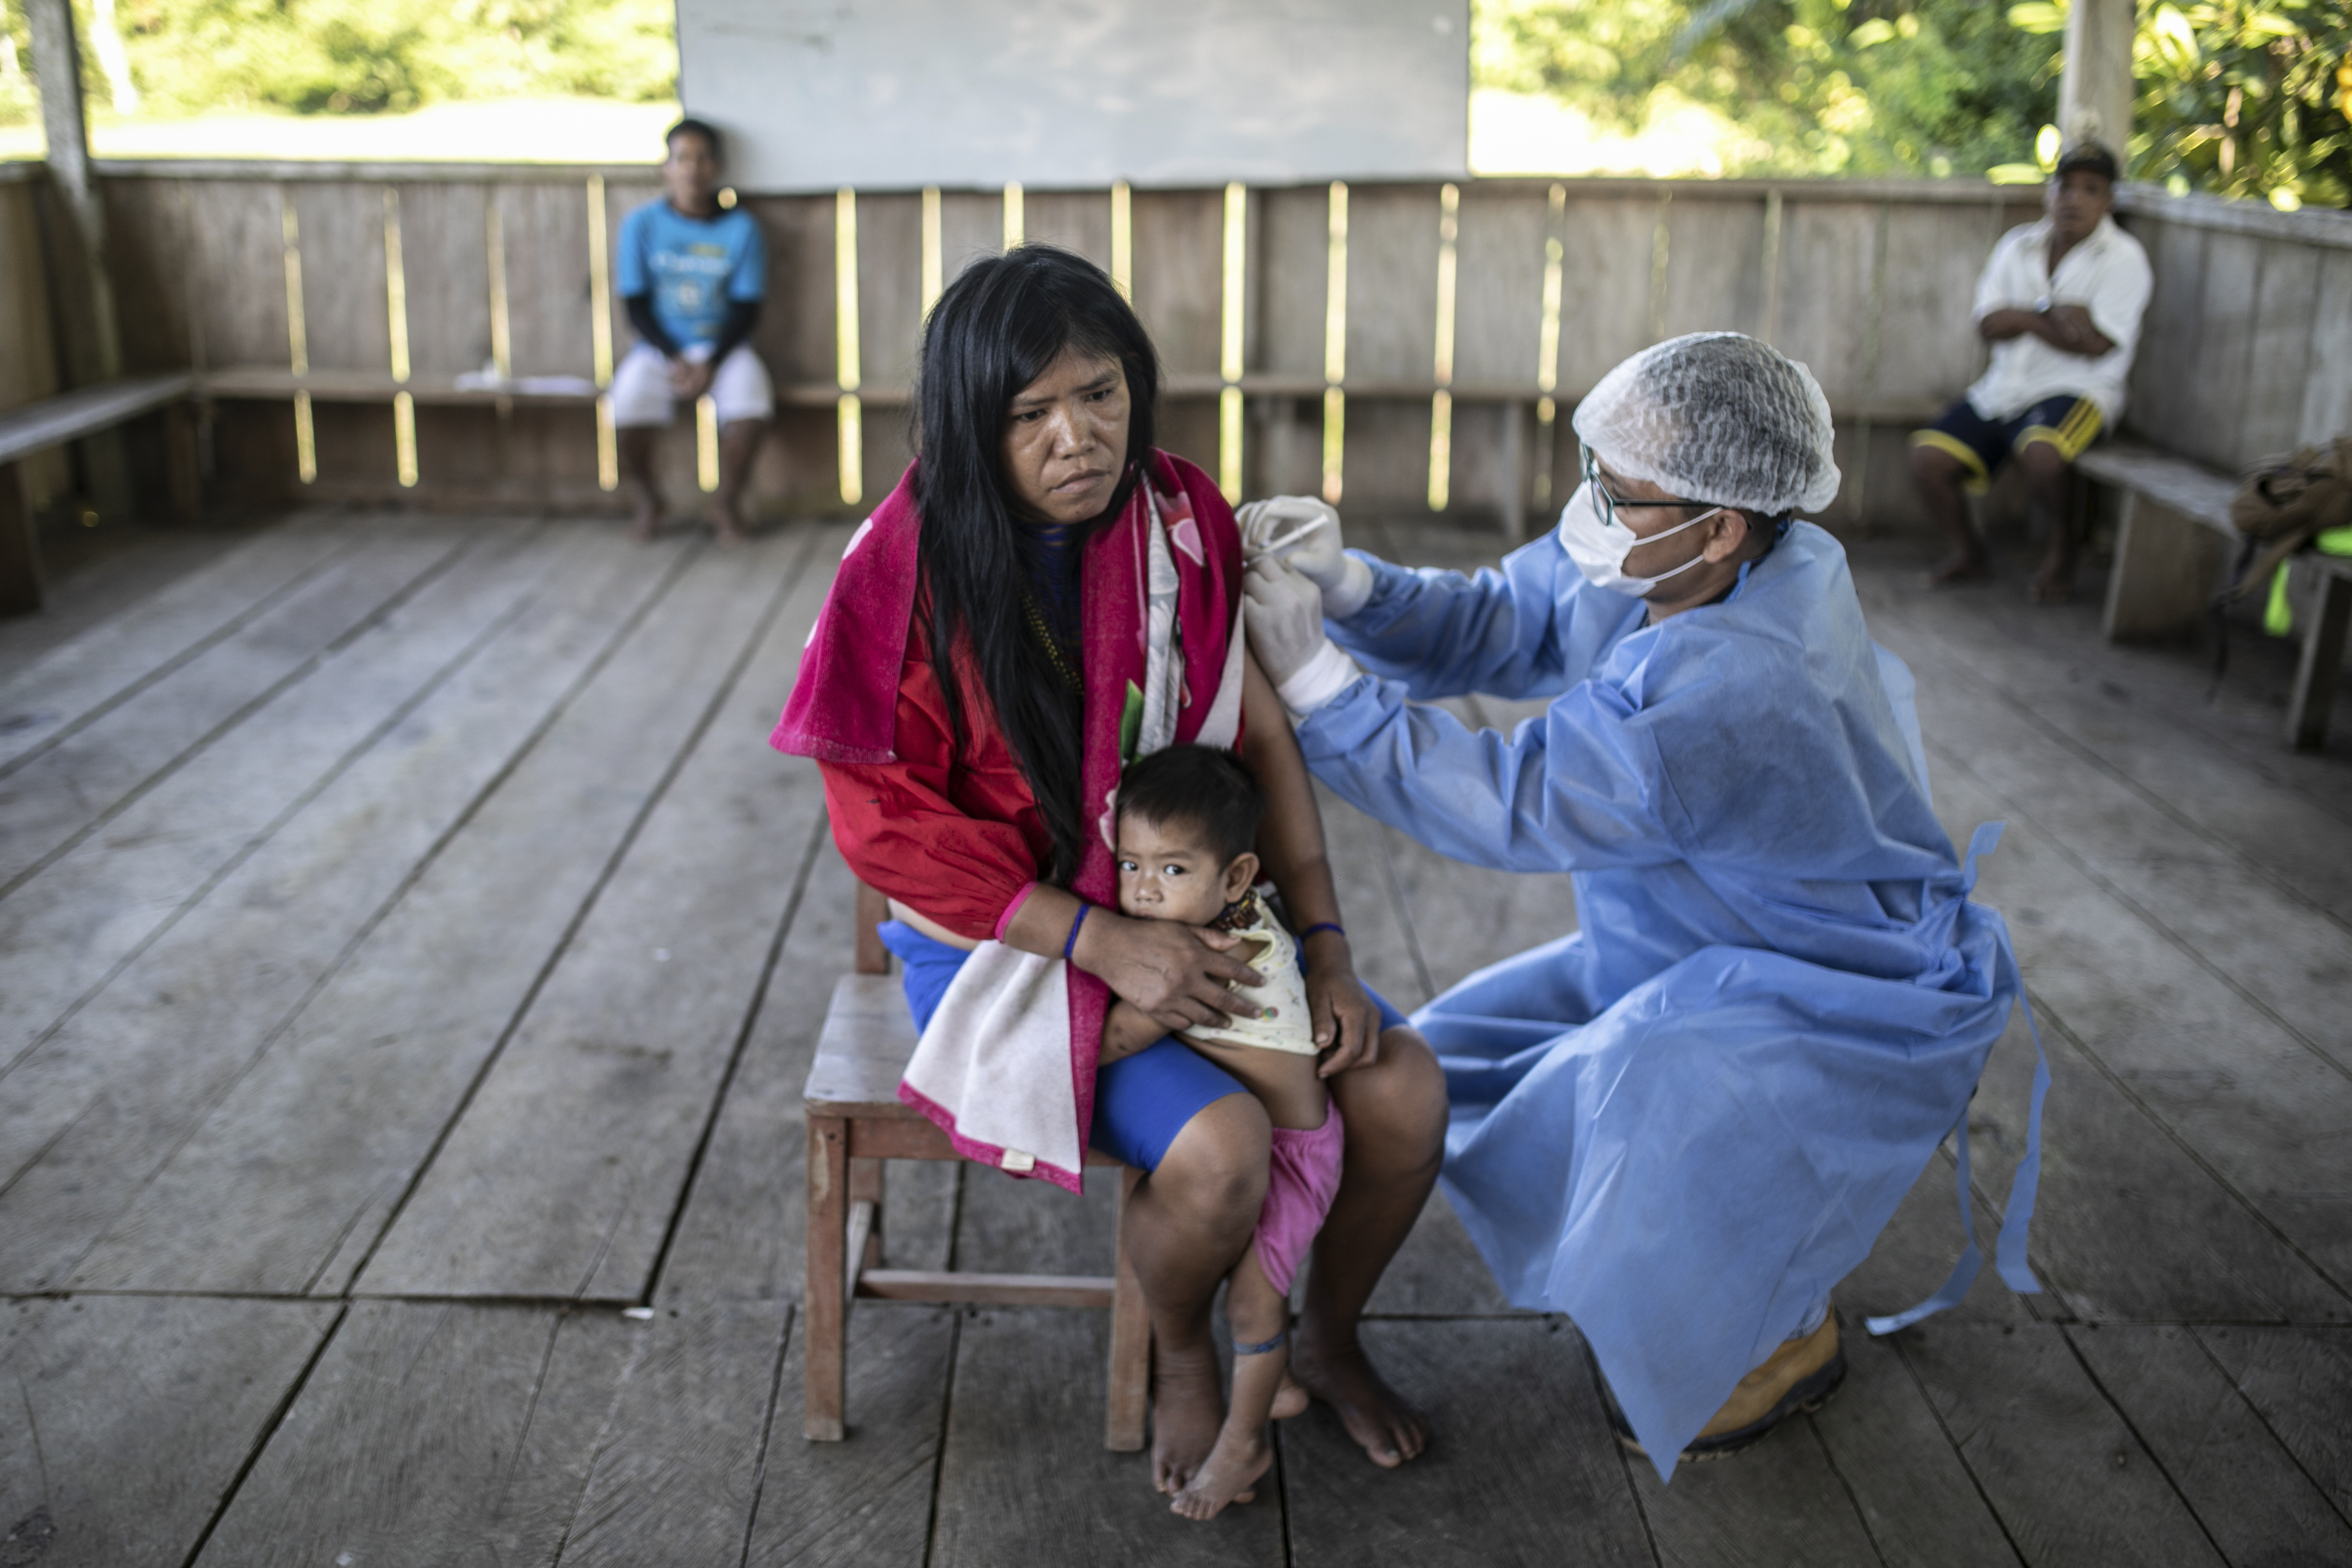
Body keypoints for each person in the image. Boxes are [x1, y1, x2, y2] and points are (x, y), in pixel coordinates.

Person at [1238, 331, 2047, 1478]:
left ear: (1721, 524)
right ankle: (1366, 1326)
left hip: (1837, 987)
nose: (1592, 516)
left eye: (1619, 497)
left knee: (1641, 1093)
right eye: (1596, 479)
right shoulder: (1680, 549)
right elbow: (1502, 620)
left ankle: (1776, 1325)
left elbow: (1512, 803)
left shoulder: (1742, 670)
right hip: (1687, 941)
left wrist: (1322, 687)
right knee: (1441, 1063)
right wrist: (1354, 587)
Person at [770, 245, 1447, 1493]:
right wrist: (1099, 943)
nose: (1074, 437)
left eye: (1099, 395)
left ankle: (1327, 1335)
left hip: (1191, 899)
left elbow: (1255, 739)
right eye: (1028, 412)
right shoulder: (902, 565)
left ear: (1136, 388)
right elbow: (883, 822)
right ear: (970, 421)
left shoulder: (1180, 517)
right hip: (998, 942)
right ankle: (1187, 1350)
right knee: (1221, 1150)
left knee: (1403, 1094)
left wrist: (1327, 947)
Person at [1108, 745, 1354, 1521]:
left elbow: (1117, 1039)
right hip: (1279, 1135)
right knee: (1252, 1289)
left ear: (1238, 878)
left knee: (1255, 1305)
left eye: (1173, 870)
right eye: (1130, 863)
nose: (1145, 888)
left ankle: (1242, 1439)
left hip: (1292, 1158)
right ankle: (1268, 1376)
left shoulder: (1218, 951)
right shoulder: (1232, 914)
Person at [1911, 141, 2152, 601]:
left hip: (2079, 389)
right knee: (1927, 459)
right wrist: (2051, 315)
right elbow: (1988, 325)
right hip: (2004, 389)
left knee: (2042, 453)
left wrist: (2021, 318)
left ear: (2109, 201)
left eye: (2090, 189)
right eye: (2064, 187)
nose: (2074, 199)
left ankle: (2064, 551)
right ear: (2050, 193)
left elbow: (2098, 346)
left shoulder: (2125, 259)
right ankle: (1970, 554)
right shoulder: (2017, 246)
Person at [612, 117, 772, 544]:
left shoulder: (742, 229)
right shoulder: (641, 225)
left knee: (753, 404)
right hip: (660, 347)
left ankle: (724, 504)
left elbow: (746, 307)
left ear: (717, 167)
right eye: (683, 158)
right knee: (624, 407)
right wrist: (675, 357)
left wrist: (712, 361)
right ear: (666, 166)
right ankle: (650, 501)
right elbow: (636, 305)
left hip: (724, 345)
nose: (692, 169)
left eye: (703, 159)